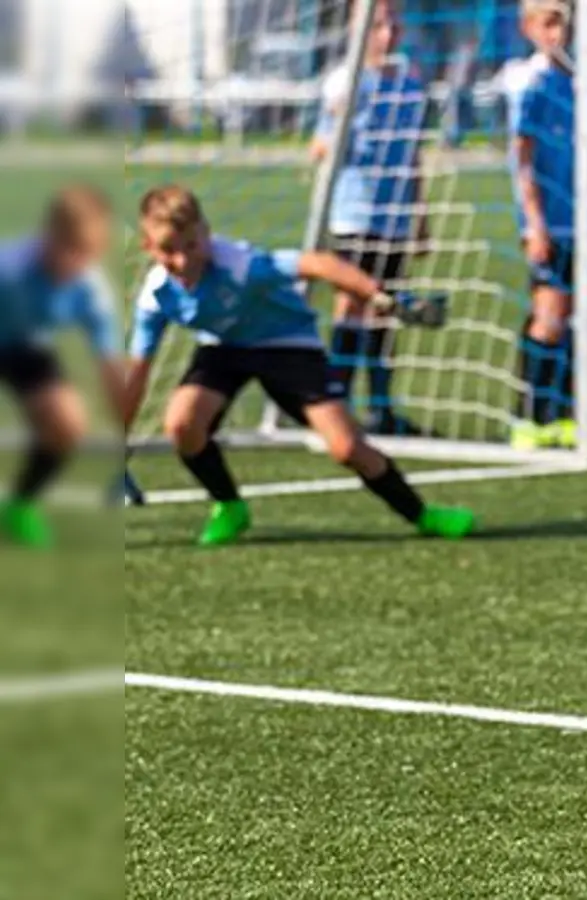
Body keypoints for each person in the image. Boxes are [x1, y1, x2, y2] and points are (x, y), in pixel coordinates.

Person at [124, 185, 476, 547]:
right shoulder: (155, 296)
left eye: (191, 246)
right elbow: (138, 371)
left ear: (206, 233)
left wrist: (382, 297)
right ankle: (229, 506)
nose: (182, 261)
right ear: (147, 247)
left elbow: (319, 263)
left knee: (346, 448)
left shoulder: (242, 266)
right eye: (168, 250)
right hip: (224, 347)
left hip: (287, 344)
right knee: (182, 424)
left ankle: (423, 514)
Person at [509, 0, 587, 449]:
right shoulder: (537, 88)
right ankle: (528, 417)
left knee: (580, 321)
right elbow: (522, 161)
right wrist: (535, 225)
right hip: (553, 226)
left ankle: (570, 414)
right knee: (549, 318)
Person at [311, 0, 431, 436]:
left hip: (395, 216)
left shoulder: (411, 85)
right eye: (378, 25)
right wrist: (341, 127)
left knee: (387, 310)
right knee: (353, 304)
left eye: (394, 23)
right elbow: (318, 149)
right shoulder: (345, 83)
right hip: (354, 213)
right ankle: (336, 404)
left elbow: (413, 154)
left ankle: (381, 408)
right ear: (358, 30)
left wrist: (421, 214)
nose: (388, 33)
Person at [0, 186, 126, 548]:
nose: (76, 261)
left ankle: (21, 506)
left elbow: (110, 369)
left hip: (22, 347)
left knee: (67, 422)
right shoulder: (8, 271)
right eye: (69, 248)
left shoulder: (91, 291)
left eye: (87, 252)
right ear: (48, 237)